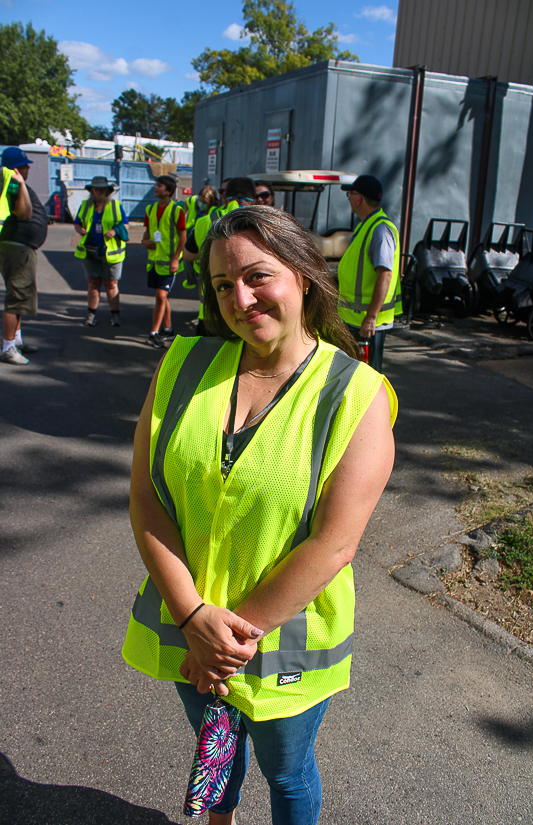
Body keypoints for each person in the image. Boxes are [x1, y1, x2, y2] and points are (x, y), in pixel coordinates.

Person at [122, 206, 397, 825]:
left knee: (287, 771)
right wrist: (193, 616)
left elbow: (334, 544)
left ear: (303, 274)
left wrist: (222, 641)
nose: (240, 299)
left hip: (283, 638)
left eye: (256, 276)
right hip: (192, 621)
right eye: (222, 285)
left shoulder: (356, 393)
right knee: (216, 744)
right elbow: (146, 495)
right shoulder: (183, 364)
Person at [338, 174, 402, 372]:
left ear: (359, 198)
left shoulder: (380, 230)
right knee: (353, 374)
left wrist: (371, 317)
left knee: (366, 377)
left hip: (366, 322)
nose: (348, 198)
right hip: (355, 319)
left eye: (350, 194)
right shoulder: (368, 226)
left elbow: (385, 274)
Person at [183, 177, 256, 334]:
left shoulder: (204, 221)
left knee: (208, 357)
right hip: (246, 311)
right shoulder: (257, 223)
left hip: (210, 310)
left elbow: (188, 254)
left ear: (224, 197)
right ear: (254, 200)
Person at [0, 147, 40, 366]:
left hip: (17, 248)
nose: (28, 169)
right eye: (25, 165)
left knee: (22, 295)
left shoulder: (8, 181)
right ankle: (8, 347)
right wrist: (22, 184)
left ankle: (16, 340)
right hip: (14, 249)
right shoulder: (14, 183)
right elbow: (24, 212)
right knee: (16, 297)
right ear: (16, 168)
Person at [74, 176, 129, 327]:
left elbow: (125, 224)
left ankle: (115, 316)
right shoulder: (85, 205)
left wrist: (114, 231)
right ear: (91, 191)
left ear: (107, 191)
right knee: (93, 283)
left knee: (111, 284)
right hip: (90, 250)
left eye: (101, 189)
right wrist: (79, 229)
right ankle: (91, 314)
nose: (98, 191)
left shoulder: (115, 205)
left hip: (110, 252)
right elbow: (77, 222)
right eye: (95, 189)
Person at [142, 175, 186, 348]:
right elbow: (147, 233)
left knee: (161, 296)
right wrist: (144, 242)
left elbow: (183, 235)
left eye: (159, 186)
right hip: (154, 262)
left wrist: (176, 258)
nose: (155, 188)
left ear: (168, 191)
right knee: (162, 297)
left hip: (169, 263)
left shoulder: (176, 210)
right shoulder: (150, 209)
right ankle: (168, 329)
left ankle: (154, 333)